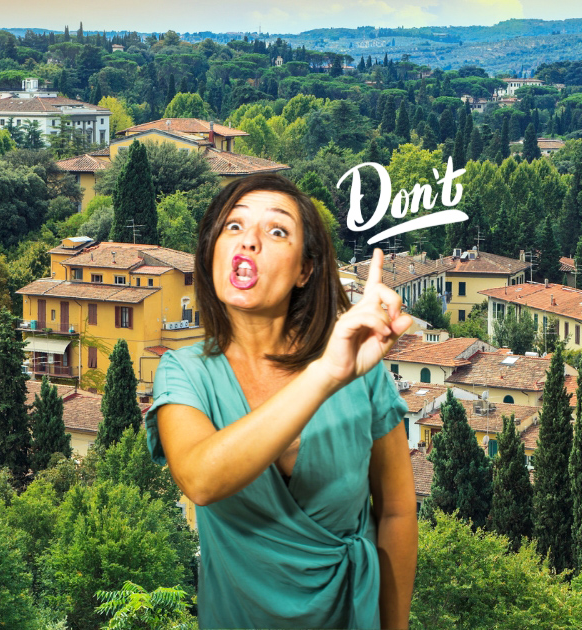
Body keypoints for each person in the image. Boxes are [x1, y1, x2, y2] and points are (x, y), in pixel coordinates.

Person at [145, 173, 417, 629]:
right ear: (212, 251)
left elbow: (396, 510)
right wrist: (325, 375)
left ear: (305, 270)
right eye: (234, 226)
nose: (249, 241)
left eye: (276, 231)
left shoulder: (362, 372)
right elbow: (200, 479)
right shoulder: (184, 372)